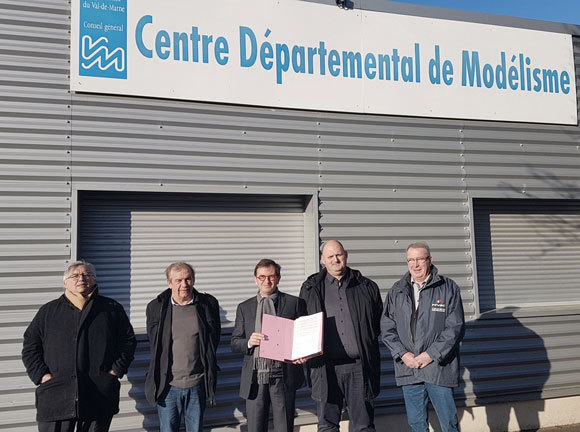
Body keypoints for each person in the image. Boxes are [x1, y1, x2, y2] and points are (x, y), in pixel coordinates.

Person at [22, 260, 136, 432]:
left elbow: (128, 342)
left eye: (87, 274)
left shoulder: (111, 309)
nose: (81, 279)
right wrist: (42, 376)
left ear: (94, 280)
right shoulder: (48, 311)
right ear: (65, 283)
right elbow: (30, 346)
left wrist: (114, 371)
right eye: (75, 275)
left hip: (98, 393)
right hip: (56, 394)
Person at [381, 242, 465, 432]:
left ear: (430, 260)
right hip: (409, 367)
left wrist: (430, 355)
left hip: (438, 367)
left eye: (419, 259)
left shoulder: (448, 288)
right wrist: (403, 354)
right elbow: (387, 328)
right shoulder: (397, 290)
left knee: (449, 424)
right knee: (417, 425)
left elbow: (455, 328)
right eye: (411, 260)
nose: (415, 264)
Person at [299, 240, 382, 432]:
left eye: (339, 255)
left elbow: (377, 323)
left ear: (346, 255)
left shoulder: (366, 286)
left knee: (364, 426)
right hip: (324, 368)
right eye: (330, 256)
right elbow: (302, 323)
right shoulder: (311, 288)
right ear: (323, 260)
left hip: (359, 367)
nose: (335, 259)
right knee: (327, 426)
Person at [231, 259, 306, 432]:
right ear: (255, 279)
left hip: (283, 375)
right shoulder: (244, 307)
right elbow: (235, 342)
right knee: (255, 427)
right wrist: (249, 342)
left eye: (271, 276)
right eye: (262, 277)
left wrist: (302, 353)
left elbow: (303, 336)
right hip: (255, 377)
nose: (267, 281)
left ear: (278, 278)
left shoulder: (294, 303)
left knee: (284, 427)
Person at [145, 262, 221, 432]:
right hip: (168, 385)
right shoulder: (156, 307)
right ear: (169, 283)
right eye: (178, 280)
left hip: (197, 383)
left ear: (193, 280)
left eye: (188, 279)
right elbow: (154, 343)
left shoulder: (207, 305)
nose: (184, 284)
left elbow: (213, 340)